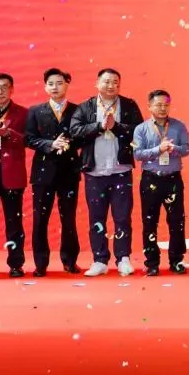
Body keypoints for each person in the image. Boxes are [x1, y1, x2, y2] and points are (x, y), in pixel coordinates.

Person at [69, 68, 144, 278]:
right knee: (97, 218)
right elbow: (74, 132)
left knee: (122, 217)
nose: (111, 86)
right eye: (106, 81)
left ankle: (123, 258)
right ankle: (99, 260)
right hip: (94, 172)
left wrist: (116, 127)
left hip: (121, 171)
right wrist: (99, 127)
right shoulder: (85, 107)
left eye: (115, 82)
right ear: (97, 83)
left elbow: (140, 132)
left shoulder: (129, 105)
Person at [25, 68, 82, 276]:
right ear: (45, 87)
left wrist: (67, 143)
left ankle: (70, 261)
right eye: (50, 83)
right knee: (40, 219)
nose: (55, 87)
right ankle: (40, 264)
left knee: (69, 218)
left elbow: (83, 137)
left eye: (59, 83)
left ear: (67, 84)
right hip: (43, 173)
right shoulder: (35, 111)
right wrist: (50, 144)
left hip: (69, 171)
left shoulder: (78, 110)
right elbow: (28, 139)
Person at [133, 90, 189, 276]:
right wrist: (158, 149)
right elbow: (137, 154)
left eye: (166, 105)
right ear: (149, 106)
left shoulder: (179, 126)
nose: (162, 108)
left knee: (177, 221)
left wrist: (174, 149)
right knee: (149, 221)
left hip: (173, 179)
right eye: (158, 105)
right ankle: (152, 262)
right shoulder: (141, 129)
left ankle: (176, 260)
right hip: (150, 179)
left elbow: (187, 149)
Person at [0, 73, 28, 279]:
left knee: (14, 222)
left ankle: (16, 264)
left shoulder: (23, 113)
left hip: (11, 174)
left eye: (4, 87)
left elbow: (30, 140)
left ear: (12, 89)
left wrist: (9, 134)